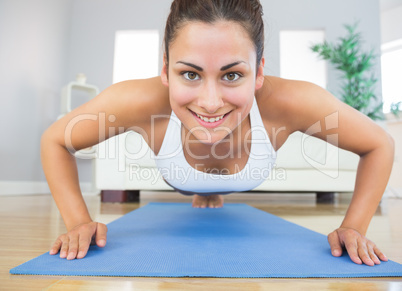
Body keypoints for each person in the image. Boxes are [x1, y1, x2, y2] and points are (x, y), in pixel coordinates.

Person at [41, 0, 394, 266]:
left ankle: (208, 194)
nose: (210, 103)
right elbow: (55, 140)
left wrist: (355, 227)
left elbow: (380, 144)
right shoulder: (138, 100)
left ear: (258, 73)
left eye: (232, 75)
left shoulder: (292, 101)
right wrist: (78, 221)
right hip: (180, 178)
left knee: (206, 190)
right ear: (166, 70)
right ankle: (203, 193)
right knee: (194, 186)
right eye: (190, 74)